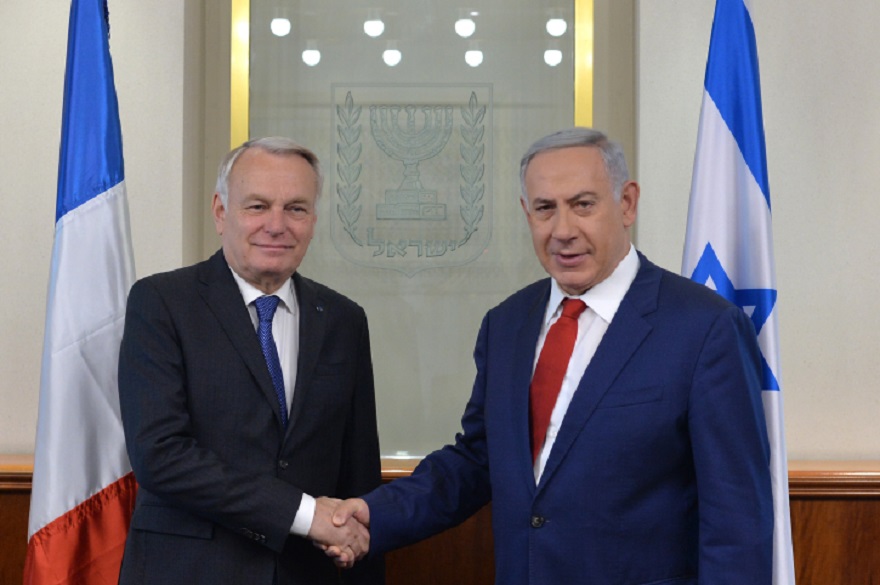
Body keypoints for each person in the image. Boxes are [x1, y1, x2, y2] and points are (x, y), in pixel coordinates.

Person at [328, 127, 773, 583]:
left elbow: (737, 519)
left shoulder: (704, 328)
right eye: (545, 209)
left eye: (583, 204)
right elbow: (478, 459)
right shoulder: (507, 324)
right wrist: (371, 514)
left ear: (627, 203)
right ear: (527, 213)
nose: (563, 230)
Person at [117, 137, 384, 584]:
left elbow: (358, 469)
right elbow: (160, 455)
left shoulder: (343, 319)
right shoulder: (161, 303)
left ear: (313, 220)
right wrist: (303, 514)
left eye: (296, 209)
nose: (277, 225)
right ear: (221, 212)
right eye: (257, 206)